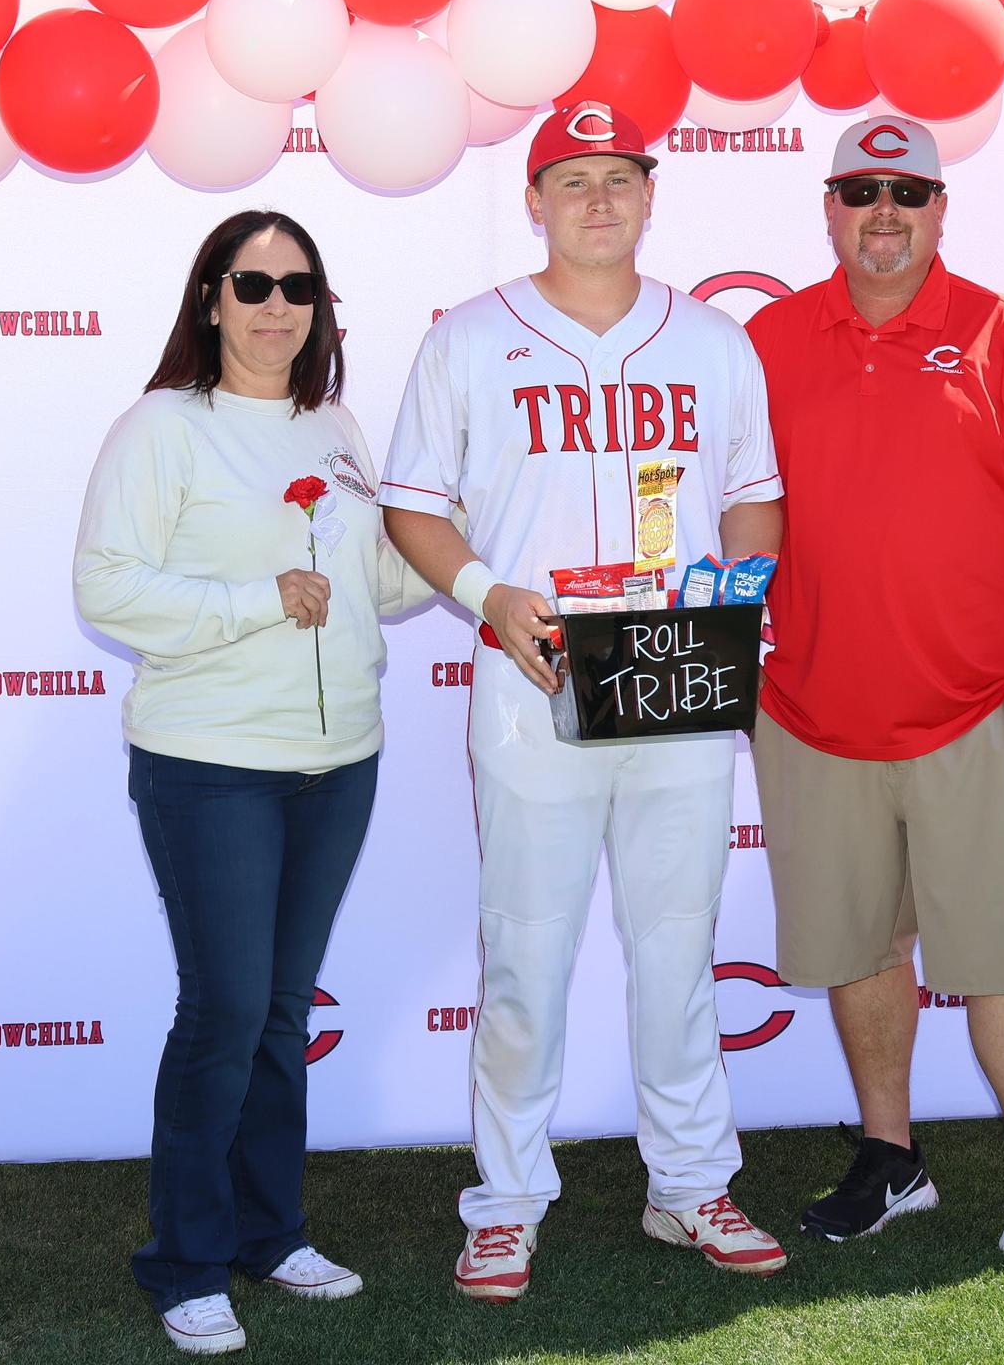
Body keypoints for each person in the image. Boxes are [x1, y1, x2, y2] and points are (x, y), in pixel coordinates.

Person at [380, 101, 788, 1302]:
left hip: (674, 673)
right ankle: (507, 1201)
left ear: (652, 195)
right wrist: (485, 594)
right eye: (573, 179)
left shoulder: (712, 340)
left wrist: (739, 594)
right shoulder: (470, 338)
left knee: (678, 948)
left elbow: (754, 492)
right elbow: (413, 504)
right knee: (526, 953)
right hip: (536, 672)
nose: (598, 198)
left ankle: (691, 1183)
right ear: (534, 201)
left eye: (619, 177)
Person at [745, 116, 1004, 1295]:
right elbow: (714, 502)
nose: (885, 212)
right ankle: (890, 1156)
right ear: (829, 207)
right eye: (862, 191)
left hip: (978, 714)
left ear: (942, 210)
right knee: (861, 950)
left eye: (908, 192)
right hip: (811, 715)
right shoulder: (767, 340)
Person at [74, 210, 429, 1354]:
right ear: (211, 298)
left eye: (299, 286)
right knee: (224, 1011)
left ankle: (269, 1234)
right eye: (254, 283)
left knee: (279, 1010)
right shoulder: (162, 428)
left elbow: (378, 584)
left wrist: (450, 538)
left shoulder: (337, 425)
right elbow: (104, 587)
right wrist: (254, 601)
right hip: (212, 765)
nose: (278, 307)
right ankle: (184, 1262)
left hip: (339, 765)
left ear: (321, 307)